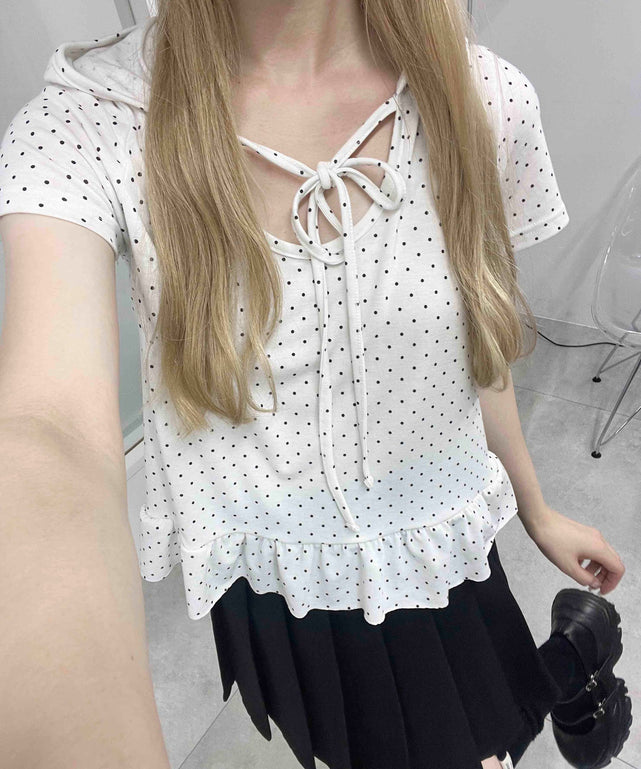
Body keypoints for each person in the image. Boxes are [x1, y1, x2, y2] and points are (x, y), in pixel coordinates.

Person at [0, 1, 630, 768]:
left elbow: (476, 342)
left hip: (433, 557)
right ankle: (572, 655)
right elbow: (48, 430)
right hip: (272, 586)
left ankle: (572, 659)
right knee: (355, 743)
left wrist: (535, 507)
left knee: (475, 737)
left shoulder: (479, 98)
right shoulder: (88, 124)